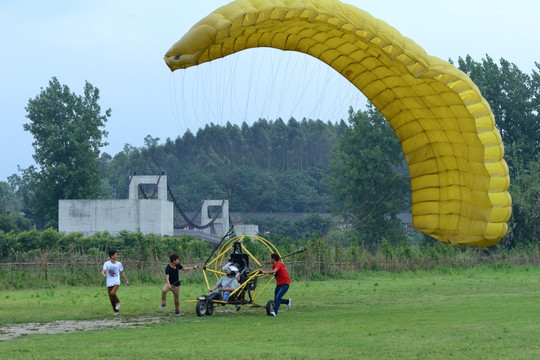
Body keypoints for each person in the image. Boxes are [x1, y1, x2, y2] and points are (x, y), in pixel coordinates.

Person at [101, 250, 129, 315]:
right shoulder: (107, 263)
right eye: (116, 254)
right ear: (112, 256)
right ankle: (116, 311)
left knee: (112, 293)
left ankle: (118, 301)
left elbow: (122, 272)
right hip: (109, 282)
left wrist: (126, 280)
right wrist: (104, 274)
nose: (117, 256)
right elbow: (103, 271)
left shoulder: (119, 264)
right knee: (111, 298)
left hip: (116, 281)